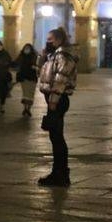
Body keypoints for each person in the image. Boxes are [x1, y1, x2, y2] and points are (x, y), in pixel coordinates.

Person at [36, 28, 78, 187]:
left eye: (51, 40)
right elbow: (41, 72)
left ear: (59, 40)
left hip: (58, 99)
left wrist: (53, 101)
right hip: (53, 97)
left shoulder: (64, 56)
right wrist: (43, 55)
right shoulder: (53, 55)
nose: (48, 42)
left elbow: (61, 79)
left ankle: (61, 174)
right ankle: (57, 172)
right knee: (55, 137)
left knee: (57, 137)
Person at [14, 43, 38, 118]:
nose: (27, 50)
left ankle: (28, 109)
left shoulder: (34, 56)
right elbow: (15, 63)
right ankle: (25, 108)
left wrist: (36, 67)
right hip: (23, 77)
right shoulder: (21, 56)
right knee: (25, 93)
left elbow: (38, 65)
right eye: (26, 48)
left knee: (31, 94)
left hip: (32, 77)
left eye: (28, 48)